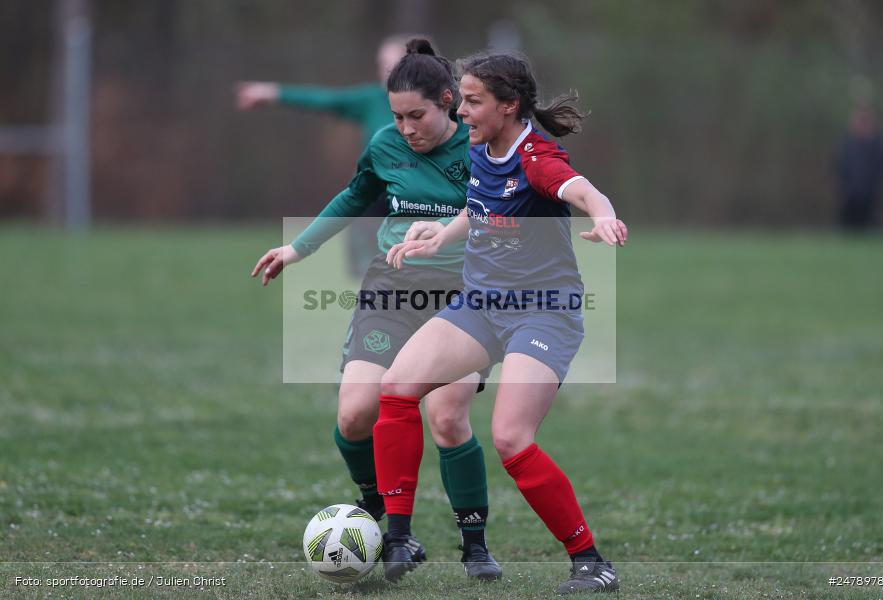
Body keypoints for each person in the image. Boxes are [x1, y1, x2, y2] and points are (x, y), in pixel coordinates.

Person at [373, 51, 628, 594]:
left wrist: (603, 214)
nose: (459, 111)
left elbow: (578, 188)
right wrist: (441, 235)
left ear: (508, 106)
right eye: (461, 100)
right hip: (482, 305)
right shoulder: (482, 148)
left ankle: (590, 561)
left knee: (511, 438)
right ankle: (398, 539)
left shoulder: (535, 156)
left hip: (543, 312)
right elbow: (483, 205)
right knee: (395, 388)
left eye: (472, 101)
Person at [250, 39, 502, 582]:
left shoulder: (482, 149)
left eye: (418, 115)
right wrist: (297, 249)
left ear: (449, 102)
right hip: (392, 289)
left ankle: (474, 545)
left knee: (446, 415)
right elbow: (353, 196)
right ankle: (380, 509)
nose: (407, 128)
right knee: (354, 414)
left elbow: (507, 211)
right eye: (398, 117)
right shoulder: (386, 144)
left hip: (464, 295)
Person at [236, 36, 406, 277]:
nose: (385, 72)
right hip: (374, 198)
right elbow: (326, 100)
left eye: (393, 65)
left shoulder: (441, 110)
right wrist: (273, 93)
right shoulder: (373, 100)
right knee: (369, 274)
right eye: (382, 64)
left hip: (412, 201)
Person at [834, 106, 883, 231]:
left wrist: (874, 186)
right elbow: (838, 165)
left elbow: (882, 168)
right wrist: (843, 185)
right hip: (850, 194)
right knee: (848, 227)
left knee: (869, 227)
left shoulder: (879, 145)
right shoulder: (847, 144)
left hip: (871, 194)